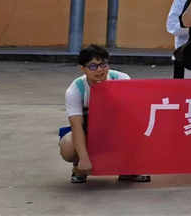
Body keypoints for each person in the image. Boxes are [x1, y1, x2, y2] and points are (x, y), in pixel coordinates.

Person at [59, 45, 148, 184]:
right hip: (88, 132)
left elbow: (132, 116)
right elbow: (76, 126)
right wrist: (83, 158)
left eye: (103, 65)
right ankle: (78, 168)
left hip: (117, 130)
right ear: (82, 68)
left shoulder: (122, 79)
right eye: (93, 66)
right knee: (68, 147)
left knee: (140, 129)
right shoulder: (75, 90)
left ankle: (128, 169)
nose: (100, 70)